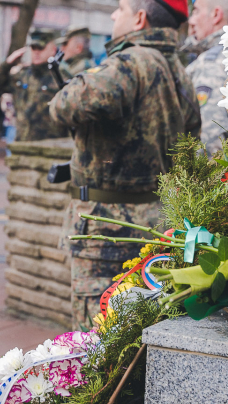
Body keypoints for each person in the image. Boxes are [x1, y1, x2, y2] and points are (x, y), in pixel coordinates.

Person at [50, 0, 202, 330]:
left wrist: (74, 84)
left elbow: (64, 106)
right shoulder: (179, 71)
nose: (114, 15)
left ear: (140, 18)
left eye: (120, 9)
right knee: (139, 328)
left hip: (105, 224)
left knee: (96, 336)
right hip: (155, 220)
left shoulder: (131, 61)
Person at [0, 30, 68, 142]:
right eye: (33, 48)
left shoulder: (61, 76)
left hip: (51, 144)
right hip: (22, 142)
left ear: (53, 50)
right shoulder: (22, 74)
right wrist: (8, 63)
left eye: (40, 48)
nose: (36, 52)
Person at [185, 0, 228, 155]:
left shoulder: (210, 64)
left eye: (196, 11)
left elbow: (211, 142)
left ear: (216, 15)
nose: (191, 20)